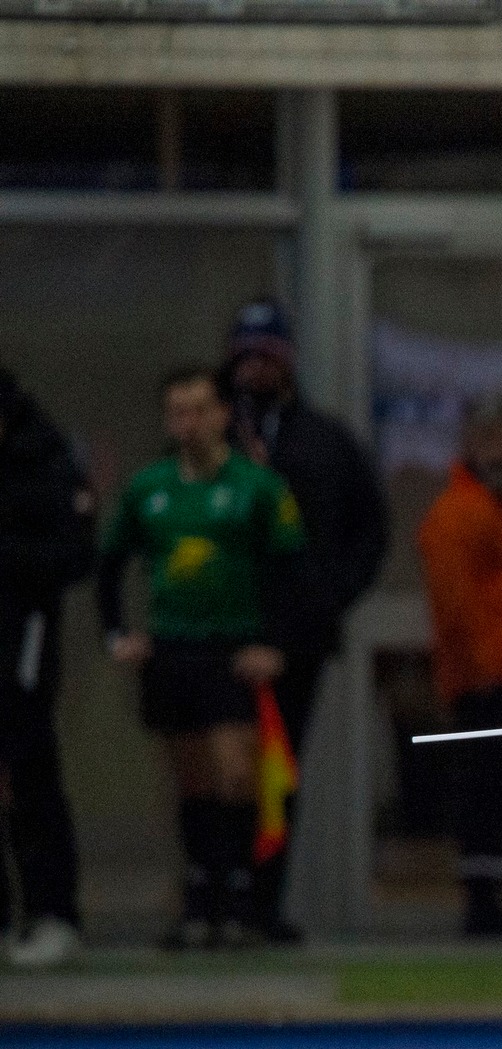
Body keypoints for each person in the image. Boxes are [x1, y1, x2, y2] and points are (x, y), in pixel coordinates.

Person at [99, 368, 304, 947]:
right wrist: (118, 634)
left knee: (235, 771)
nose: (186, 423)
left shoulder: (258, 487)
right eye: (176, 412)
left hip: (232, 649)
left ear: (221, 415)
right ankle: (199, 896)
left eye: (197, 410)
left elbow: (292, 572)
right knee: (190, 778)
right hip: (172, 647)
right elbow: (109, 563)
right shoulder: (149, 488)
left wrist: (275, 644)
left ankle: (239, 895)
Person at [223, 299, 389, 940]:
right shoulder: (214, 436)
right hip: (218, 633)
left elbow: (369, 530)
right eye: (245, 356)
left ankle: (262, 905)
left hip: (298, 638)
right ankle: (214, 899)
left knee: (276, 770)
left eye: (266, 355)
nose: (254, 368)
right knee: (215, 771)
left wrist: (326, 600)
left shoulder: (324, 441)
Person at [417, 396, 502, 936]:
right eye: (490, 439)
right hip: (485, 679)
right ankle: (494, 899)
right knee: (490, 788)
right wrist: (479, 672)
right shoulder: (461, 513)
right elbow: (457, 607)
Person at [0, 370, 96, 969]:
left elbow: (76, 554)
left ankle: (53, 913)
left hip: (21, 637)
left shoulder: (45, 460)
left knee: (29, 768)